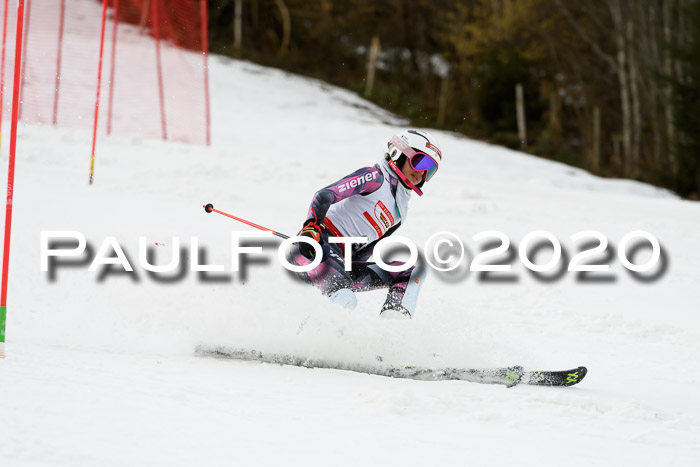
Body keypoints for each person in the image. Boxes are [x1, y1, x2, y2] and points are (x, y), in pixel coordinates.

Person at [288, 129, 442, 319]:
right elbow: (324, 195)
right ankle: (307, 341)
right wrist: (311, 227)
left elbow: (364, 250)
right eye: (421, 162)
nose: (423, 173)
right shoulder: (375, 177)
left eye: (431, 170)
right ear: (399, 153)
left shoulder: (399, 213)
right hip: (313, 250)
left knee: (412, 271)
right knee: (346, 299)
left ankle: (393, 331)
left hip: (343, 263)